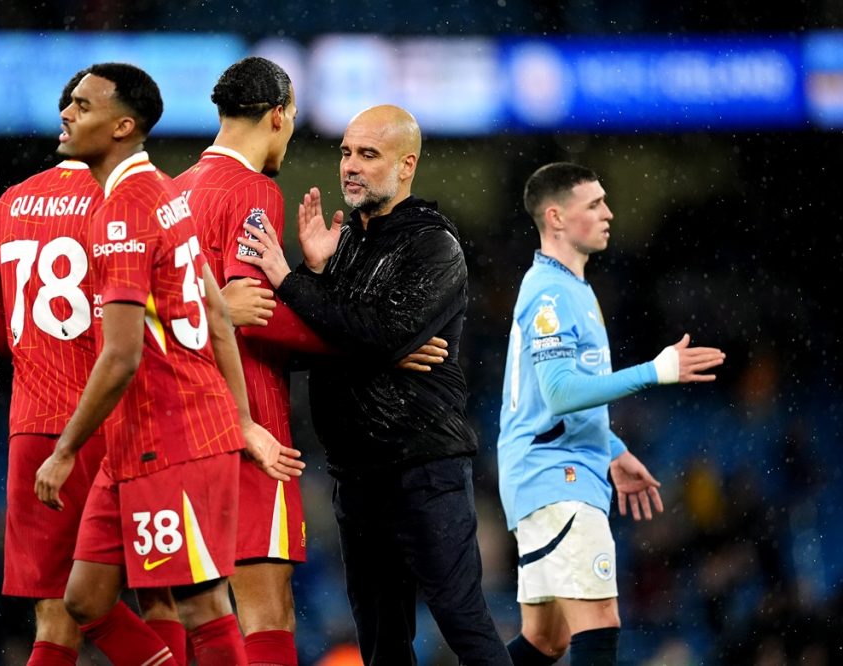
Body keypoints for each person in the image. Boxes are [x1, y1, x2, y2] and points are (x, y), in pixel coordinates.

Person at [32, 62, 303, 666]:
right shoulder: (158, 191)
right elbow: (214, 308)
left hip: (171, 431)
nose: (66, 114)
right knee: (85, 599)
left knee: (200, 602)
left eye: (82, 105)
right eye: (69, 102)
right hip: (140, 435)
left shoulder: (147, 201)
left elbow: (125, 352)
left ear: (123, 125)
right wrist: (239, 414)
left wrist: (67, 447)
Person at [237, 104, 512, 666]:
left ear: (407, 164)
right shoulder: (348, 246)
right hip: (356, 477)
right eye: (345, 152)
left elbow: (375, 333)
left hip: (422, 470)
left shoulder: (435, 245)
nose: (350, 167)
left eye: (369, 154)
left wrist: (289, 282)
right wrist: (317, 276)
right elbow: (343, 340)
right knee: (382, 643)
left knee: (464, 625)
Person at [495, 162, 727, 665]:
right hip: (557, 476)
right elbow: (558, 393)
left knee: (545, 640)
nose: (609, 213)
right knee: (599, 623)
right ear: (556, 218)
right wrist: (656, 370)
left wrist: (612, 449)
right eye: (594, 204)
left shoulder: (568, 286)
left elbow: (543, 392)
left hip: (554, 471)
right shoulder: (552, 292)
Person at [171, 56, 331, 666]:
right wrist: (365, 341)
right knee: (267, 611)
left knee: (200, 617)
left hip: (177, 426)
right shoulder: (253, 190)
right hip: (247, 428)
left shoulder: (170, 191)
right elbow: (257, 310)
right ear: (279, 116)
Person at [0, 69, 112, 666]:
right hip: (114, 418)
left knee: (54, 609)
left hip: (36, 426)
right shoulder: (124, 200)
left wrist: (36, 349)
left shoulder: (11, 203)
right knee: (165, 597)